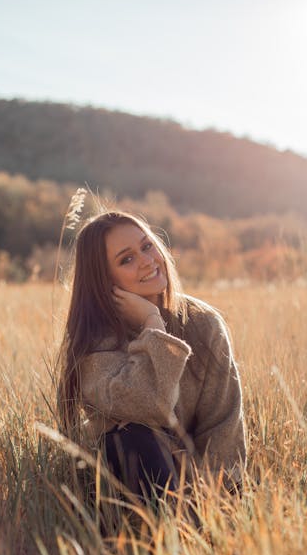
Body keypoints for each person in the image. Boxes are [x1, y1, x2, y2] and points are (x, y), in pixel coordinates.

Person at [56, 210, 246, 501]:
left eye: (147, 246)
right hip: (132, 495)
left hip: (206, 492)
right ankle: (166, 532)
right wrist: (153, 325)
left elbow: (223, 424)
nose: (147, 260)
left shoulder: (203, 323)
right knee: (131, 438)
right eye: (126, 259)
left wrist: (212, 501)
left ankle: (192, 528)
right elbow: (151, 402)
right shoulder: (96, 347)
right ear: (104, 280)